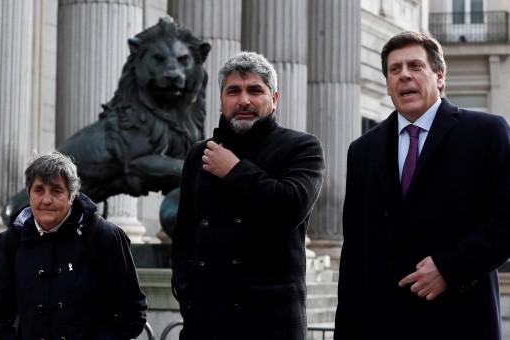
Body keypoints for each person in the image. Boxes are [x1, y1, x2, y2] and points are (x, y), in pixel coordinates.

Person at [335, 31, 510, 340]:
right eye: (394, 69)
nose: (404, 76)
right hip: (381, 326)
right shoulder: (363, 149)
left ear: (439, 76)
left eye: (415, 66)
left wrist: (449, 267)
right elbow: (354, 254)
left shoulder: (486, 132)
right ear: (388, 85)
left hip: (460, 321)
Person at [171, 51, 326, 339]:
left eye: (255, 90)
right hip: (207, 321)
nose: (244, 100)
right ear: (221, 101)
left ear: (274, 99)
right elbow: (184, 234)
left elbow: (291, 206)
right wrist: (185, 290)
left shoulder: (302, 147)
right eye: (234, 91)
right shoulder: (199, 154)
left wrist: (234, 170)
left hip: (270, 322)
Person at [0, 151, 147, 339]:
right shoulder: (9, 242)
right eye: (39, 190)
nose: (46, 200)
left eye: (57, 190)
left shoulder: (105, 236)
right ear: (28, 193)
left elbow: (132, 312)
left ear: (72, 196)